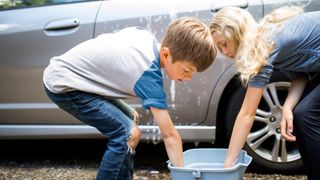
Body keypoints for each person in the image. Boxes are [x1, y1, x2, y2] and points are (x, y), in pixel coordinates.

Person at [43, 17, 217, 180]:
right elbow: (170, 135)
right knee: (128, 134)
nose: (188, 78)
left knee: (131, 118)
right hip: (65, 84)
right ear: (165, 54)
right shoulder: (147, 73)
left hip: (80, 79)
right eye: (187, 71)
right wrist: (183, 175)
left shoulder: (146, 38)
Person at [210, 6, 320, 179]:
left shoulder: (263, 47)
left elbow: (247, 114)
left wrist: (228, 166)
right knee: (301, 115)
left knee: (307, 116)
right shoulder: (265, 35)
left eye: (224, 44)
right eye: (219, 47)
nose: (224, 52)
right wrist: (287, 108)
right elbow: (301, 76)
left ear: (236, 33)